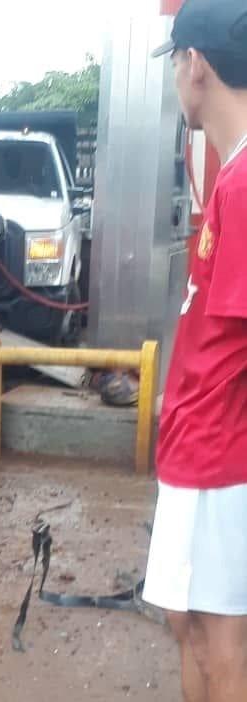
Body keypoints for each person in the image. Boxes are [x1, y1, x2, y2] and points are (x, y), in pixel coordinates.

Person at [144, 2, 247, 700]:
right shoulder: (230, 177)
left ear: (195, 64)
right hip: (200, 446)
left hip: (218, 455)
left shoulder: (242, 186)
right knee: (190, 626)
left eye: (176, 63)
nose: (176, 77)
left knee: (212, 640)